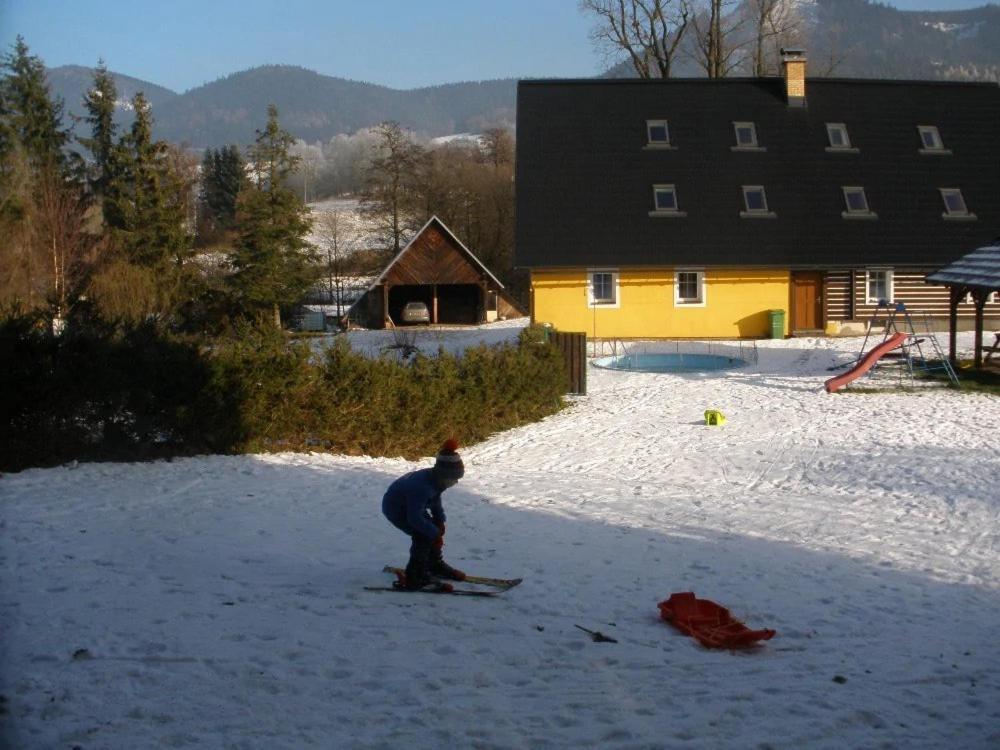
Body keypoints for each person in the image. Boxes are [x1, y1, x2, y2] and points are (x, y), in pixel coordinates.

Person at [382, 438, 467, 590]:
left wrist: (439, 520)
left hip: (411, 506)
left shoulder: (436, 480)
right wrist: (434, 534)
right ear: (444, 475)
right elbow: (414, 518)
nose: (455, 483)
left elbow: (435, 499)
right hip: (396, 509)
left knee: (431, 529)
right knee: (423, 535)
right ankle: (415, 576)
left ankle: (434, 565)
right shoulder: (421, 487)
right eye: (453, 479)